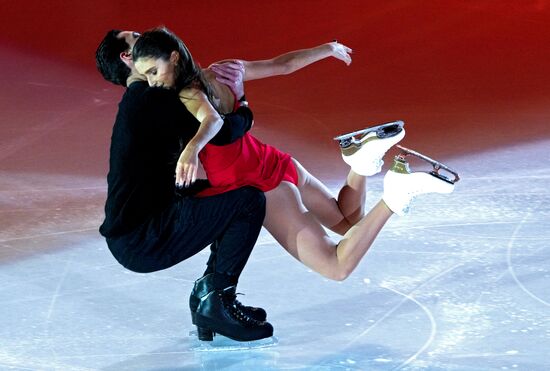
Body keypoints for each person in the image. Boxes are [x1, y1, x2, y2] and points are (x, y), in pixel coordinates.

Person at [132, 27, 456, 283]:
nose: (151, 81)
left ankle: (395, 194)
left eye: (154, 71)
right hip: (274, 161)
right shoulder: (226, 70)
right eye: (145, 74)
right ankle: (360, 161)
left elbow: (211, 120)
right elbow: (282, 65)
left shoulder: (184, 97)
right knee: (350, 222)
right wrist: (328, 48)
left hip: (260, 187)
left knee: (336, 266)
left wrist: (190, 150)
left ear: (174, 58)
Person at [95, 30, 274, 342]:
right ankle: (217, 301)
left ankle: (209, 297)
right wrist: (244, 107)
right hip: (143, 237)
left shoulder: (140, 101)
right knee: (249, 202)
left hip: (148, 223)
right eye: (136, 37)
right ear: (128, 59)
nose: (144, 35)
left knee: (228, 196)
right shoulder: (150, 99)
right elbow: (222, 131)